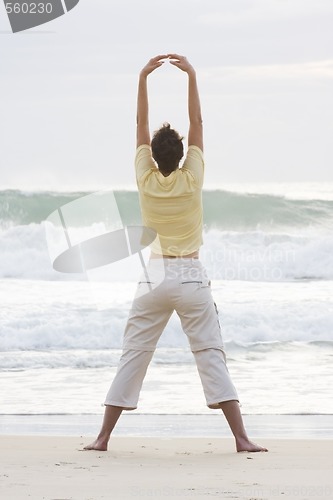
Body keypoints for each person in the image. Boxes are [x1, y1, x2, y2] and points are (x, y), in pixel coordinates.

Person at [85, 54, 267, 453]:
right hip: (190, 275)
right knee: (209, 353)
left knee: (134, 354)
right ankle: (240, 438)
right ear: (181, 154)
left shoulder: (145, 178)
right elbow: (198, 124)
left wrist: (142, 77)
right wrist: (192, 75)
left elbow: (139, 126)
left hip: (154, 276)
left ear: (153, 156)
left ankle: (102, 438)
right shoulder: (193, 176)